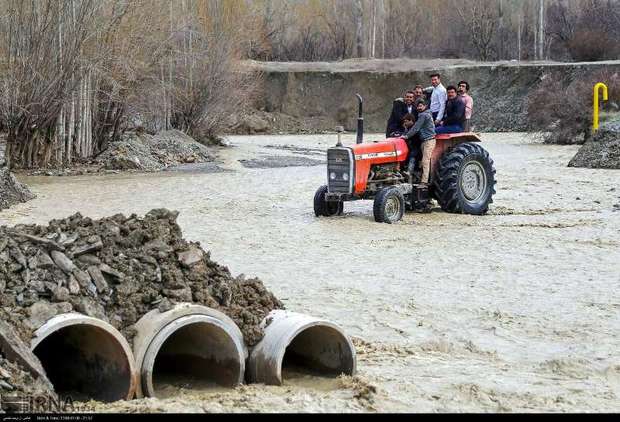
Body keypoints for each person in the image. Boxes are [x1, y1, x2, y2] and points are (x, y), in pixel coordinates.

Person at [403, 99, 435, 186]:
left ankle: (424, 181)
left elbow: (416, 128)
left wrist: (406, 136)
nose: (419, 107)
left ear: (425, 106)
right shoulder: (422, 115)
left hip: (429, 140)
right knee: (420, 160)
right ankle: (415, 176)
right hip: (424, 141)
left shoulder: (424, 115)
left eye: (421, 106)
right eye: (418, 106)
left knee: (425, 161)